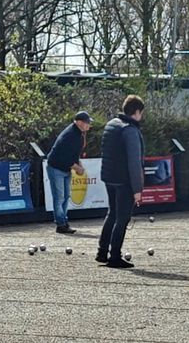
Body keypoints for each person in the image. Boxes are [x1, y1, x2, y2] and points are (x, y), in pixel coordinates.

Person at [96, 95, 144, 269]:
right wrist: (137, 189)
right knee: (123, 218)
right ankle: (115, 255)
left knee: (112, 214)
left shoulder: (111, 124)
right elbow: (134, 161)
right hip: (124, 180)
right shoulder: (130, 130)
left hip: (109, 177)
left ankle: (102, 251)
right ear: (137, 112)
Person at [46, 110, 93, 234]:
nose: (89, 125)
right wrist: (77, 168)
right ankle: (61, 224)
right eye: (86, 122)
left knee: (66, 196)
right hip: (56, 167)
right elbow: (65, 157)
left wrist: (79, 165)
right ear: (78, 122)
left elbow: (74, 154)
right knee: (59, 197)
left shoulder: (79, 133)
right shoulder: (71, 135)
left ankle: (63, 222)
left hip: (65, 168)